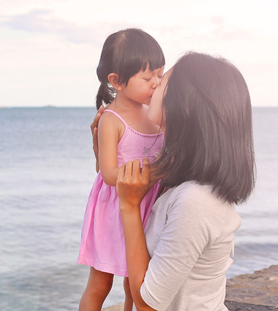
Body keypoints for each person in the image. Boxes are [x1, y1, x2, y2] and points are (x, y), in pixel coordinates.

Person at [92, 52, 255, 310]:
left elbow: (147, 305)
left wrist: (129, 206)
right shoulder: (171, 174)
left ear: (180, 101)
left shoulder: (197, 200)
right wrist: (103, 153)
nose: (154, 85)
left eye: (163, 79)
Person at [78, 28, 165, 311]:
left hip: (146, 207)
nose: (156, 83)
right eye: (147, 77)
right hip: (114, 211)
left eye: (160, 76)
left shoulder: (156, 114)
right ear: (116, 81)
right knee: (101, 284)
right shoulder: (111, 119)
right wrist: (152, 172)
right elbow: (108, 174)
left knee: (135, 283)